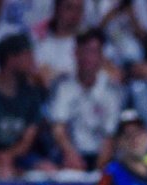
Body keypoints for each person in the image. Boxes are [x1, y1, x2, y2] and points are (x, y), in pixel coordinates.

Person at [49, 29, 124, 171]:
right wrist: (71, 155)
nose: (88, 57)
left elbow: (110, 135)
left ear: (101, 56)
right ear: (75, 53)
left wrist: (99, 167)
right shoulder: (63, 87)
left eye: (94, 51)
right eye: (84, 51)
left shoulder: (111, 90)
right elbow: (58, 129)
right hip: (69, 154)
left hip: (101, 154)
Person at [0, 33, 47, 178]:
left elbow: (27, 140)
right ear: (11, 59)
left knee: (48, 170)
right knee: (2, 172)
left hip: (21, 157)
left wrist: (8, 157)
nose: (33, 60)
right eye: (27, 55)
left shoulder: (32, 94)